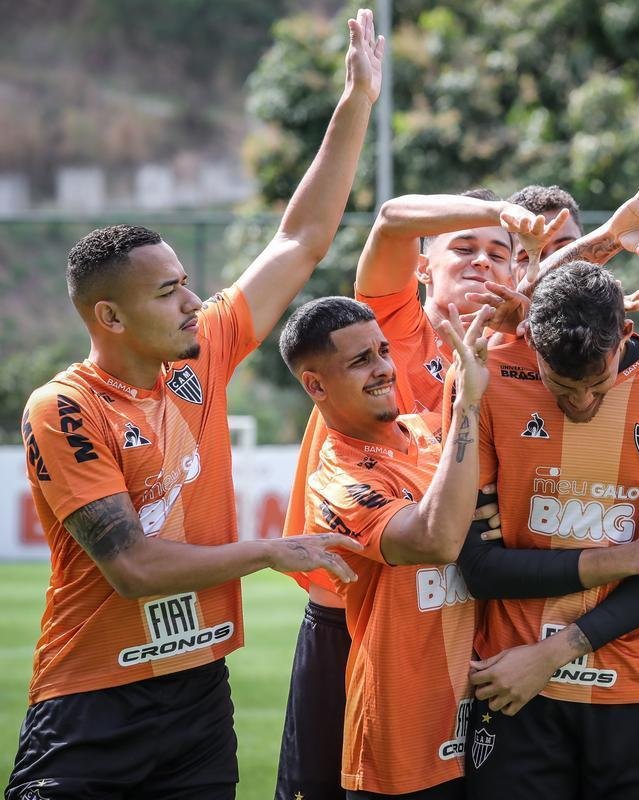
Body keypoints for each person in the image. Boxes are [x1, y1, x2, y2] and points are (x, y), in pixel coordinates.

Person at [7, 10, 384, 798]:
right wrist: (270, 552)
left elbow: (300, 240)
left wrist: (355, 103)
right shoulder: (65, 408)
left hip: (198, 696)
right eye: (169, 291)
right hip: (91, 704)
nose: (192, 303)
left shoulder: (200, 353)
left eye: (187, 284)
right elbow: (136, 570)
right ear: (109, 318)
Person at [275, 174, 639, 800]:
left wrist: (600, 243)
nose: (483, 262)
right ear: (423, 267)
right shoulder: (390, 329)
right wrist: (505, 213)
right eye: (464, 248)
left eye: (502, 253)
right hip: (357, 610)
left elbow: (549, 300)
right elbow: (390, 216)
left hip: (467, 610)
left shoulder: (510, 343)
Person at [455, 261, 639, 799]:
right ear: (528, 337)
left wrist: (555, 652)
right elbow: (479, 568)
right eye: (560, 386)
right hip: (513, 685)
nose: (580, 404)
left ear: (625, 333)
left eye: (598, 383)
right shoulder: (488, 373)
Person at [278, 296, 490, 798]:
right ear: (315, 385)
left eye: (383, 351)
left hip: (480, 705)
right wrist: (466, 408)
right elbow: (434, 539)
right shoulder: (336, 477)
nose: (384, 369)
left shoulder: (428, 433)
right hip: (401, 735)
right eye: (361, 360)